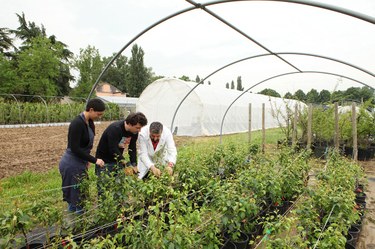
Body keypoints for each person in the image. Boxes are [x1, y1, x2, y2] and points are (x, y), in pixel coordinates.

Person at [59, 98, 106, 214]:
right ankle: (77, 222)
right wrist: (94, 160)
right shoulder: (77, 124)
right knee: (77, 197)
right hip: (71, 163)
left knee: (81, 192)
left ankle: (76, 218)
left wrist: (86, 159)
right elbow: (75, 148)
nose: (99, 116)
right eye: (98, 114)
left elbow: (84, 146)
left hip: (80, 161)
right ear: (91, 110)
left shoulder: (89, 122)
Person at [95, 112, 148, 177]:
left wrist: (134, 164)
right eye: (137, 128)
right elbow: (113, 149)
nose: (139, 130)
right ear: (129, 124)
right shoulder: (115, 129)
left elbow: (132, 148)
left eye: (140, 128)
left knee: (118, 184)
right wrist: (126, 164)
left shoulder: (134, 132)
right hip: (104, 162)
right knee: (104, 184)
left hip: (117, 161)